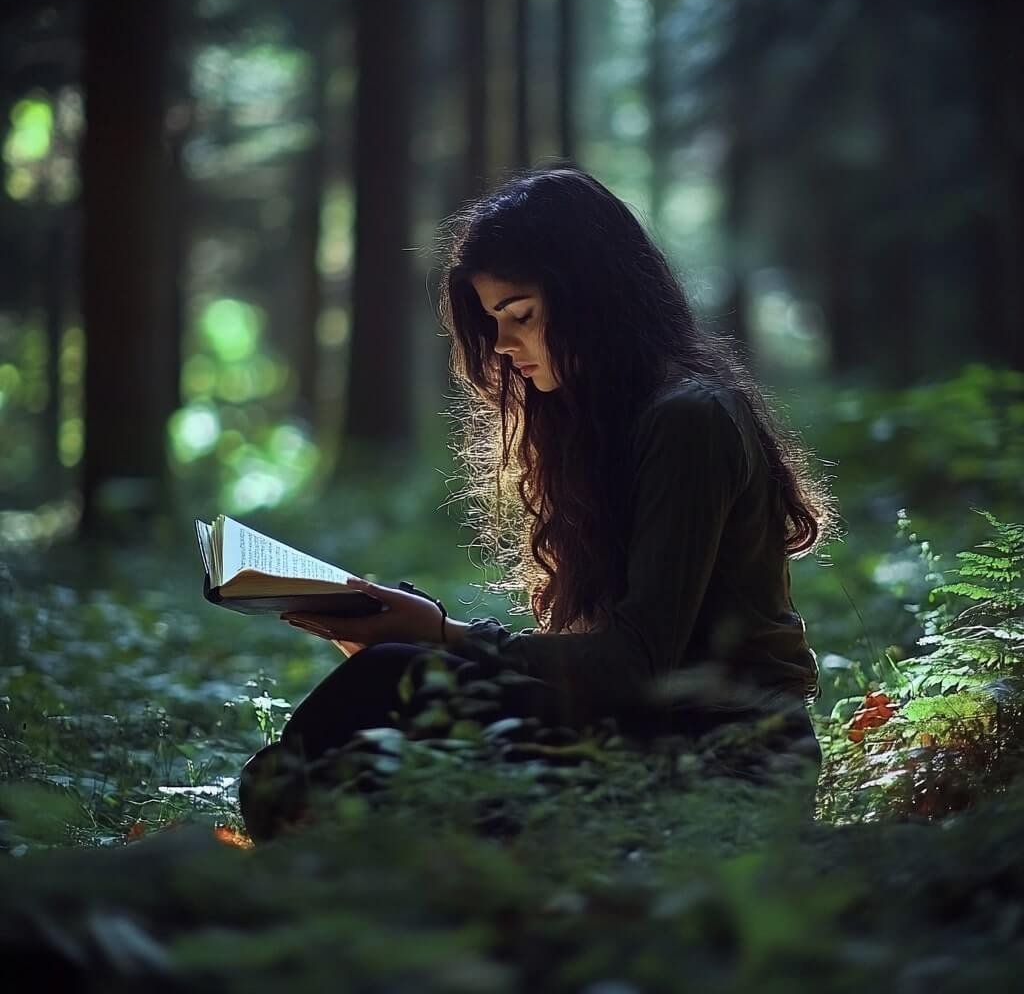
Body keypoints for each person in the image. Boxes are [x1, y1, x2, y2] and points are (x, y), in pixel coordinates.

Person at [238, 167, 838, 841]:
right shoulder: (609, 426)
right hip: (646, 739)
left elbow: (635, 666)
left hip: (726, 767)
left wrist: (440, 636)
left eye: (520, 315)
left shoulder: (688, 420)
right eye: (493, 321)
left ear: (593, 300)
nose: (502, 345)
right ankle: (299, 833)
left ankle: (292, 842)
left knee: (393, 682)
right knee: (373, 717)